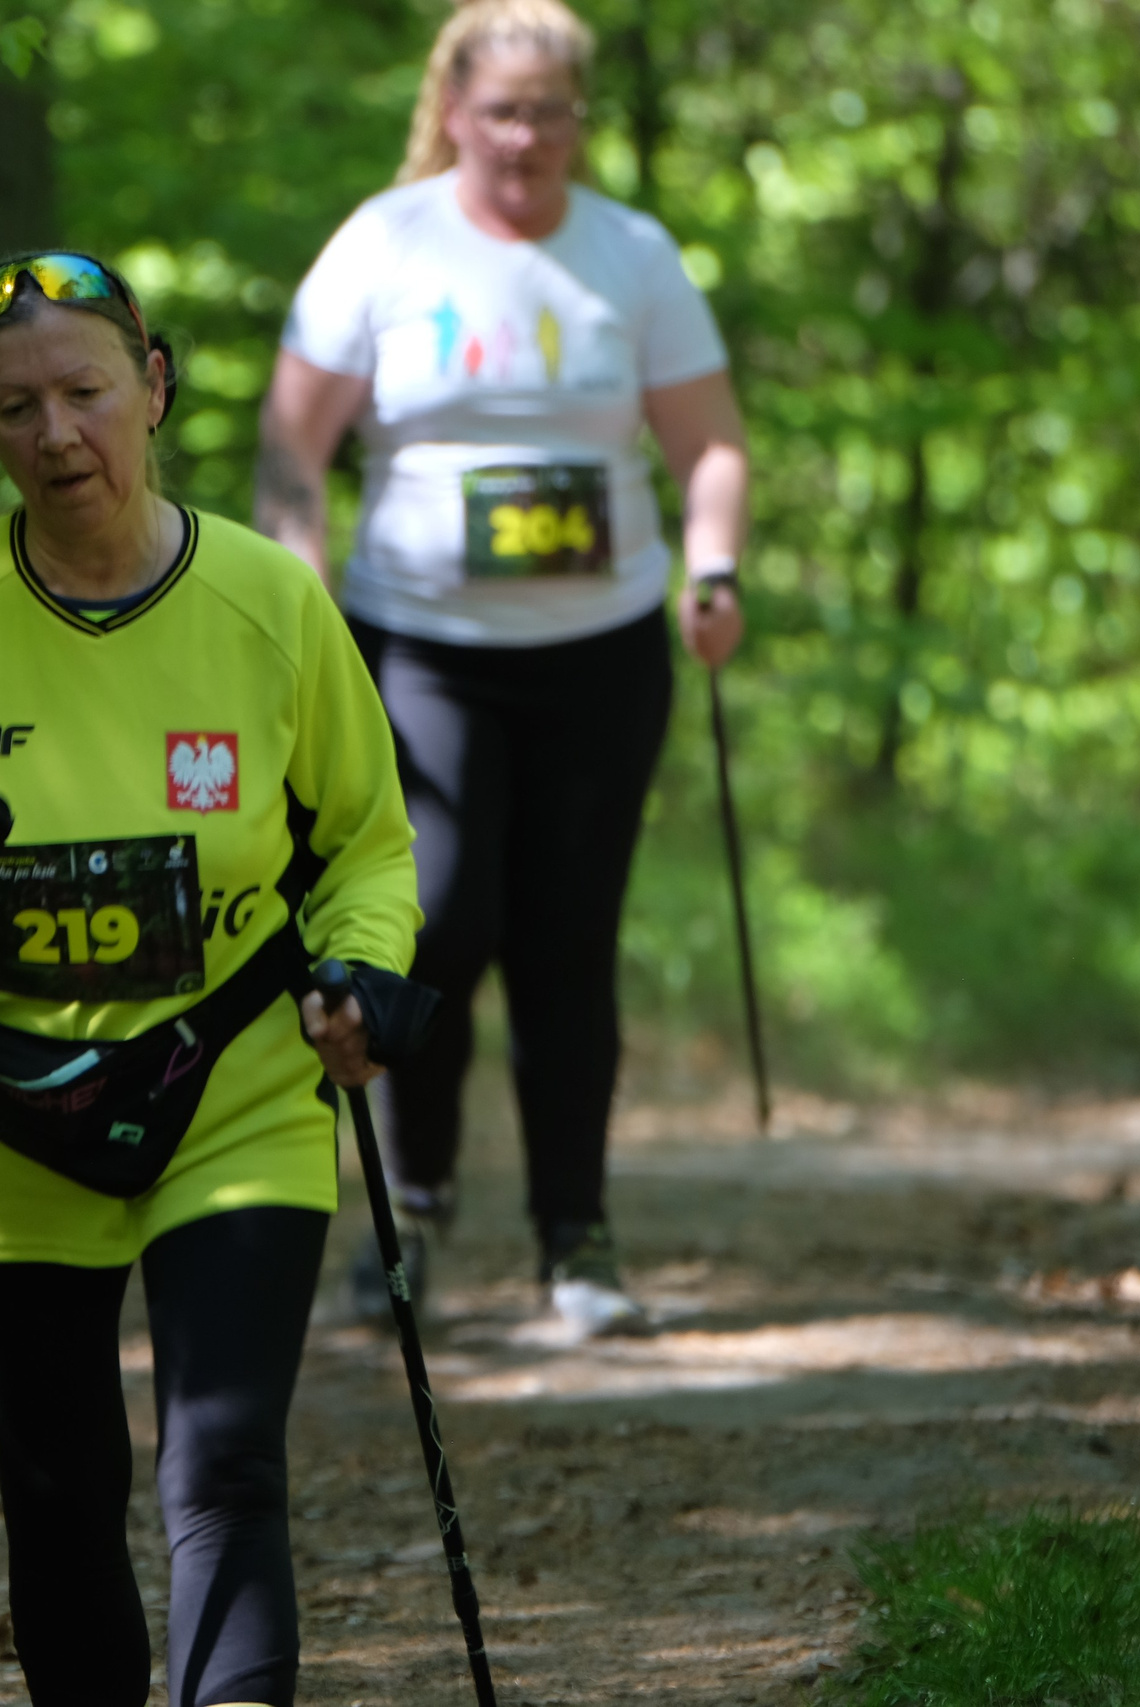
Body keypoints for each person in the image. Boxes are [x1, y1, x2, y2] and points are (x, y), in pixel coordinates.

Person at [0, 251, 421, 1707]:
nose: (56, 435)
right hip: (7, 1110)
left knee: (223, 1465)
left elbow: (371, 849)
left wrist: (359, 978)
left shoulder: (270, 602)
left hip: (238, 1088)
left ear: (153, 388)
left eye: (86, 391)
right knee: (63, 1492)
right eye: (14, 408)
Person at [254, 0, 751, 1336]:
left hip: (599, 654)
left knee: (568, 942)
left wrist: (715, 566)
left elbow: (709, 444)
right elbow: (292, 443)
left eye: (552, 112)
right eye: (504, 110)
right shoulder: (386, 240)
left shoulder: (630, 255)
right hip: (418, 647)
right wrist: (294, 577)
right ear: (457, 110)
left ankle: (576, 1241)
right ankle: (410, 1208)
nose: (527, 136)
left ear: (580, 120)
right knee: (436, 919)